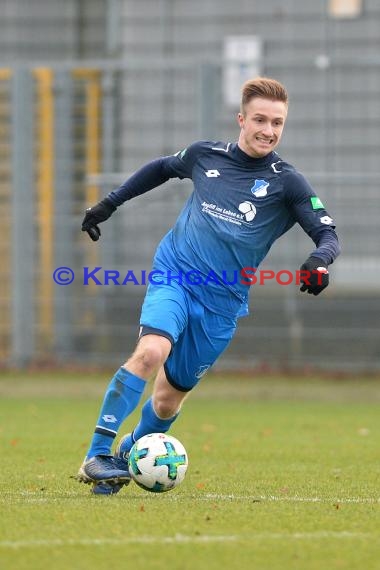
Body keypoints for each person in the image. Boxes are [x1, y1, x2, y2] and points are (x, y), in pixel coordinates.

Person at [77, 77, 340, 494]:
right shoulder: (205, 155)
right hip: (176, 274)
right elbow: (162, 168)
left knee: (167, 401)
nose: (268, 130)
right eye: (259, 119)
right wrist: (110, 203)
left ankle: (125, 456)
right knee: (151, 351)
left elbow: (327, 233)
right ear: (241, 119)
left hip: (222, 303)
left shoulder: (288, 182)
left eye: (277, 123)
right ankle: (97, 454)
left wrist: (318, 262)